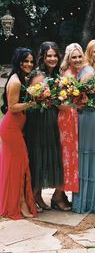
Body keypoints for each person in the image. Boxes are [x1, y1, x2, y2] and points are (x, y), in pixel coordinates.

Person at [24, 42, 69, 212]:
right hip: (38, 121)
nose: (52, 59)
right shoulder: (39, 75)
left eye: (55, 55)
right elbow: (33, 99)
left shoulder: (55, 74)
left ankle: (39, 196)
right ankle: (33, 195)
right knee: (39, 157)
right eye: (48, 55)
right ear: (42, 57)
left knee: (47, 157)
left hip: (51, 119)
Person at [0, 47, 37, 219]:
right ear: (18, 61)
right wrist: (33, 102)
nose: (29, 64)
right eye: (26, 61)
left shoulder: (21, 78)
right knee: (19, 165)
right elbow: (13, 107)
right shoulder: (15, 81)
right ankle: (20, 204)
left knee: (17, 165)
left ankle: (16, 200)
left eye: (31, 61)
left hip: (16, 127)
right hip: (11, 128)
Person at [72, 39, 95, 213]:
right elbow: (76, 93)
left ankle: (87, 200)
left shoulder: (93, 69)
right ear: (89, 53)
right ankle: (84, 202)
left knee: (91, 155)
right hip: (89, 116)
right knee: (87, 155)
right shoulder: (89, 71)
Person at [57, 43, 85, 201]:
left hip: (75, 116)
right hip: (68, 118)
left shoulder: (80, 71)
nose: (77, 59)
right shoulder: (68, 75)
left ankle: (63, 194)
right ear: (68, 58)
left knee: (73, 156)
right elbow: (64, 101)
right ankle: (58, 195)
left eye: (79, 56)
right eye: (74, 57)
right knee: (66, 156)